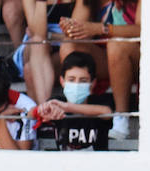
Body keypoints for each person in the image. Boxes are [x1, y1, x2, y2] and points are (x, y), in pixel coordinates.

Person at [58, 0, 138, 138]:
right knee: (69, 46)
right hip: (106, 58)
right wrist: (71, 28)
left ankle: (121, 117)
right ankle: (76, 112)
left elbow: (144, 29)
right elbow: (76, 30)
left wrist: (101, 29)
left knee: (115, 45)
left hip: (137, 57)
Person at [34, 49, 111, 149]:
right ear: (62, 81)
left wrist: (67, 107)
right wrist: (43, 109)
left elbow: (107, 112)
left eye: (83, 80)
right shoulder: (57, 101)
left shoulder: (100, 102)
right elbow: (32, 114)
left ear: (93, 83)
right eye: (71, 80)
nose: (77, 84)